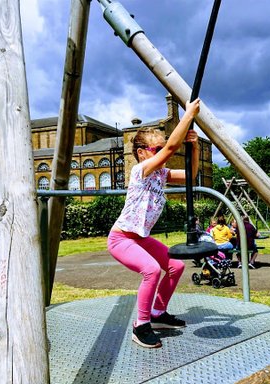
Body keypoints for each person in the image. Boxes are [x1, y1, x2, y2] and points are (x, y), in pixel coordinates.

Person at [107, 98, 201, 349]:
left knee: (176, 266)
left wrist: (195, 148)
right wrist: (187, 115)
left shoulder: (162, 173)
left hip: (140, 237)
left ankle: (158, 314)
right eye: (155, 150)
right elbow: (171, 147)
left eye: (161, 149)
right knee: (151, 270)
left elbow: (191, 176)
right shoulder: (141, 171)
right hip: (121, 239)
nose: (161, 154)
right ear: (141, 153)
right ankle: (141, 325)